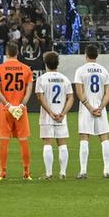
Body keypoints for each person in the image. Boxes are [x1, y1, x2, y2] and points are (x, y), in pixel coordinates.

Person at [0, 41, 34, 181]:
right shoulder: (27, 69)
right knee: (23, 140)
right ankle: (27, 173)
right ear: (17, 52)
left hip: (6, 109)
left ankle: (2, 172)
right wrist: (21, 105)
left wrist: (9, 106)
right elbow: (29, 91)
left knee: (4, 140)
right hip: (21, 110)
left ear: (6, 52)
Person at [73, 43, 109, 179]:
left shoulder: (81, 70)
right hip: (100, 108)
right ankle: (106, 170)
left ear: (86, 55)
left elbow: (79, 91)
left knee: (84, 137)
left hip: (86, 108)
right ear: (97, 55)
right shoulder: (104, 71)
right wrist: (101, 107)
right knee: (104, 137)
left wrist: (89, 108)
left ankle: (83, 171)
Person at [35, 51, 74, 179]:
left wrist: (51, 113)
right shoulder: (65, 79)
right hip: (61, 117)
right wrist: (63, 113)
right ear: (57, 63)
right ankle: (63, 173)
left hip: (47, 117)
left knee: (47, 143)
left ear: (46, 64)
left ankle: (49, 173)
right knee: (62, 143)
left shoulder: (41, 79)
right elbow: (70, 98)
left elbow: (40, 97)